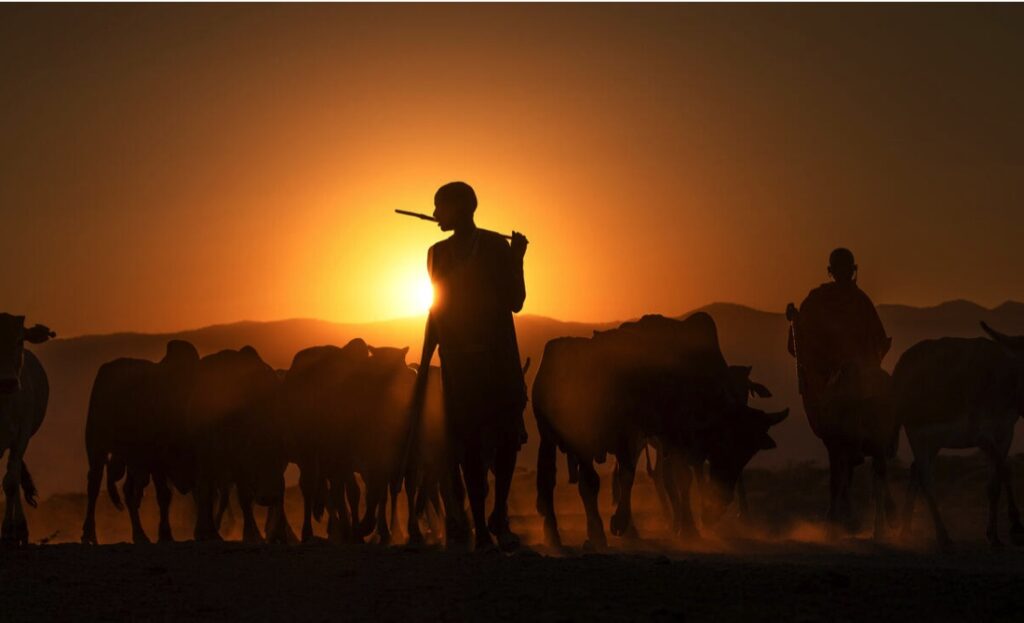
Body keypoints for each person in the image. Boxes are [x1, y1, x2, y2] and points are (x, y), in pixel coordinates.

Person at [412, 181, 529, 551]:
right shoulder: (436, 254)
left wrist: (517, 259)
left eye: (439, 208)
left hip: (497, 360)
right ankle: (480, 525)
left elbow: (515, 301)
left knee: (507, 439)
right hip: (459, 365)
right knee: (468, 447)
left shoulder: (496, 247)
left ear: (461, 208)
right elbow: (436, 310)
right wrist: (426, 359)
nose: (434, 215)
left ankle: (498, 513)